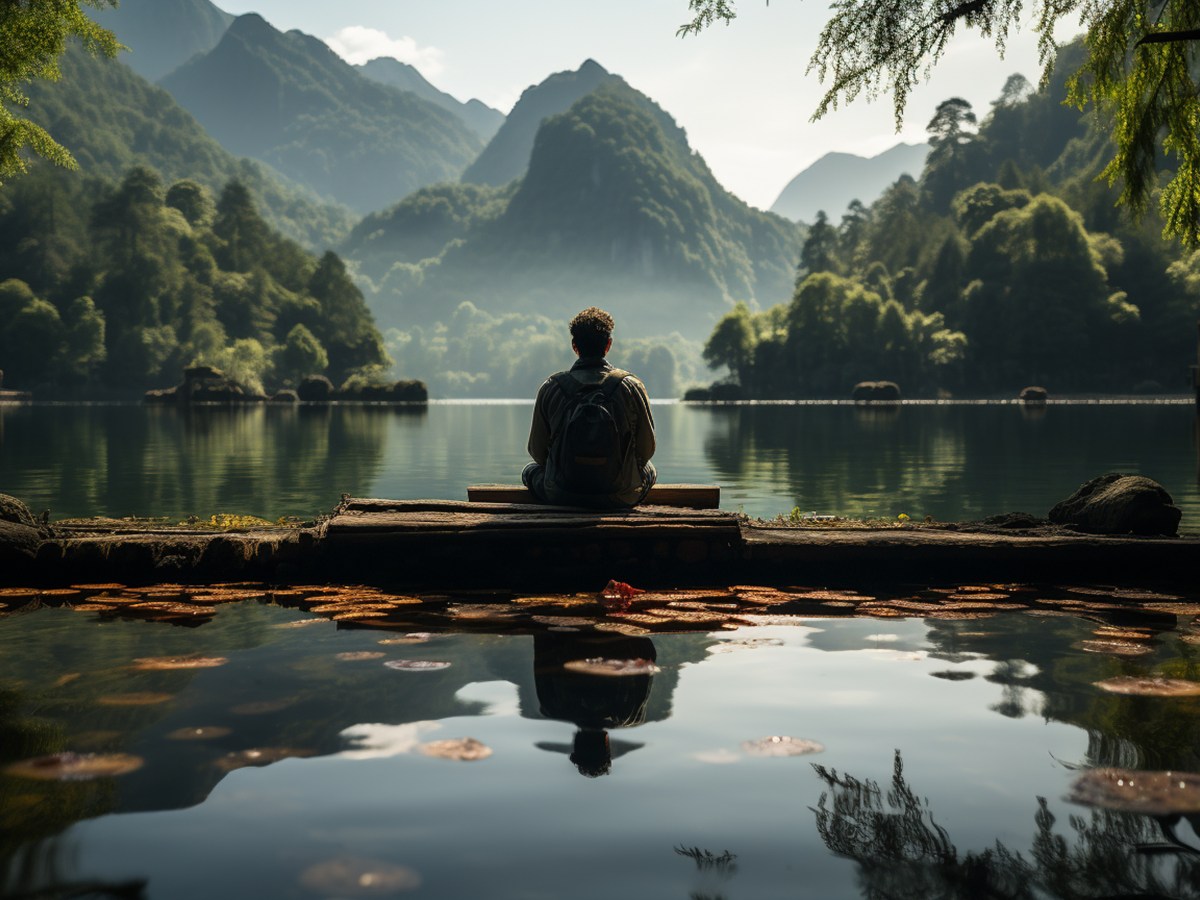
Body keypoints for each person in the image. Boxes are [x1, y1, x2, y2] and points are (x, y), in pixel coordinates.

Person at [522, 307, 656, 508]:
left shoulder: (551, 387)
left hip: (561, 494)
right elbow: (647, 450)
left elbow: (537, 452)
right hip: (620, 496)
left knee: (529, 471)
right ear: (608, 345)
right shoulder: (631, 386)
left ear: (574, 346)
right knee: (650, 470)